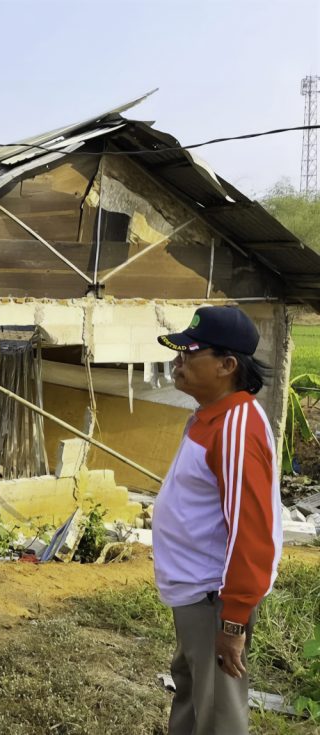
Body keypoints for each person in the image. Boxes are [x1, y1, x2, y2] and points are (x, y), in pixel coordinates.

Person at [154, 306, 282, 734]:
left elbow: (252, 532)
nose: (178, 362)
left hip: (214, 598)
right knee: (193, 701)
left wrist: (233, 621)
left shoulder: (236, 427)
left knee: (218, 717)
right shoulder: (213, 416)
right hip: (195, 593)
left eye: (189, 354)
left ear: (227, 365)